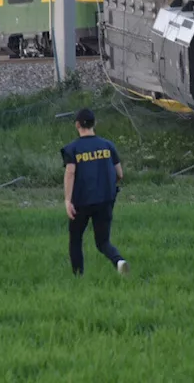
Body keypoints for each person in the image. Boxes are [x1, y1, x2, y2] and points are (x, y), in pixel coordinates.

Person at [61, 108, 129, 277]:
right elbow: (119, 173)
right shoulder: (107, 145)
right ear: (94, 124)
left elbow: (70, 173)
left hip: (82, 201)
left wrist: (68, 200)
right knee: (103, 241)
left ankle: (78, 276)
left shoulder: (73, 149)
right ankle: (119, 261)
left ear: (77, 125)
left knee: (76, 239)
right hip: (105, 199)